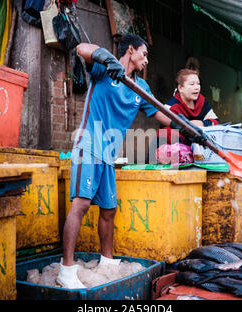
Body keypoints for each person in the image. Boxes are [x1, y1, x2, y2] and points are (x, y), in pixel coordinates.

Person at [56, 34, 191, 288]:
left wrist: (187, 127)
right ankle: (66, 269)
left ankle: (106, 261)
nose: (146, 60)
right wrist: (107, 59)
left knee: (109, 209)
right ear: (131, 50)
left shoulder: (140, 88)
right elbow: (81, 49)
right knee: (81, 204)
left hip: (108, 155)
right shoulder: (102, 71)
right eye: (144, 53)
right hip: (89, 145)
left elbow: (161, 112)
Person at [157, 62, 220, 145]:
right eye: (192, 84)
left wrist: (202, 123)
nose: (197, 87)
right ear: (180, 88)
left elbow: (216, 122)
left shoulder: (201, 101)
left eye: (198, 84)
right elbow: (165, 132)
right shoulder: (172, 106)